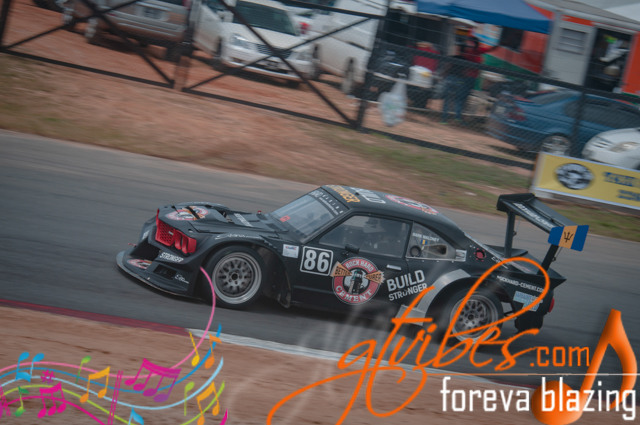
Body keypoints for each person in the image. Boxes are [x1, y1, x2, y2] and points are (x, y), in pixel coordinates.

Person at [441, 36, 498, 124]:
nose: (469, 45)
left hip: (468, 78)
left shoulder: (475, 51)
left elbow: (489, 49)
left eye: (470, 43)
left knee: (460, 98)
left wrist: (499, 45)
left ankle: (455, 117)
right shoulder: (467, 53)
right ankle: (456, 117)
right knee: (459, 98)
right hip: (465, 78)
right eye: (468, 43)